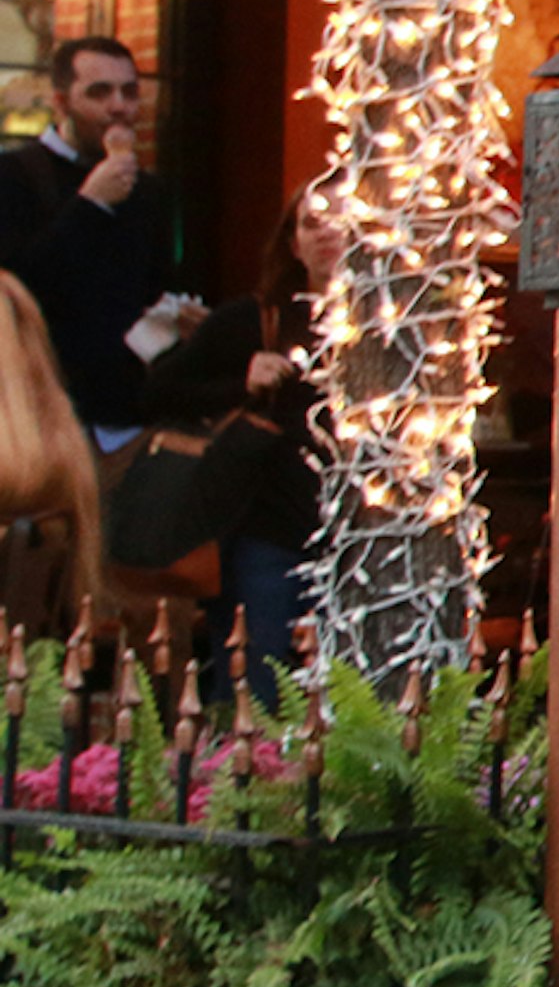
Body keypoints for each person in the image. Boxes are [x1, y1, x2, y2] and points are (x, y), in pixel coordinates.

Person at [139, 185, 338, 683]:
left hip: (359, 541)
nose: (329, 232)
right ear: (293, 245)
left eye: (344, 217)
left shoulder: (393, 327)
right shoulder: (253, 321)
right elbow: (157, 394)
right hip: (267, 537)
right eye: (312, 223)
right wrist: (240, 383)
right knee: (259, 687)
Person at [0, 38, 196, 446]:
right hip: (37, 415)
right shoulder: (15, 176)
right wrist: (89, 205)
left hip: (129, 417)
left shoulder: (148, 191)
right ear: (60, 102)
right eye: (99, 92)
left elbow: (152, 292)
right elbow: (18, 288)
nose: (118, 107)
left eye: (129, 92)